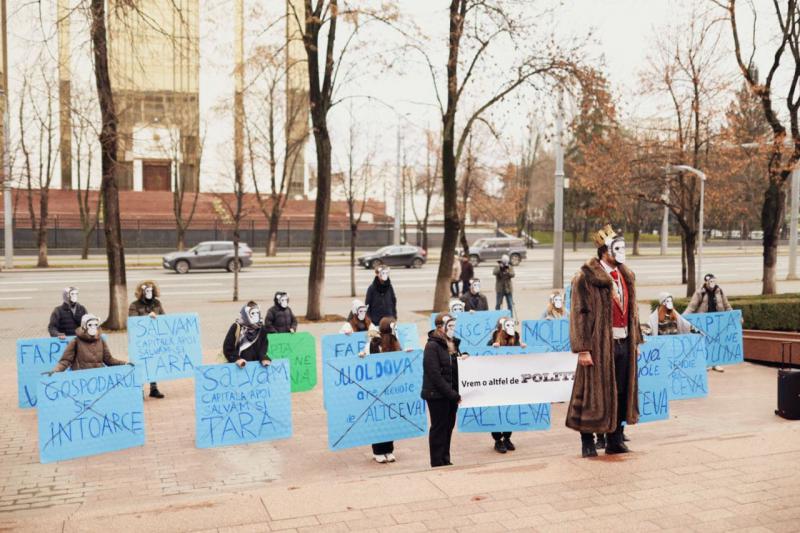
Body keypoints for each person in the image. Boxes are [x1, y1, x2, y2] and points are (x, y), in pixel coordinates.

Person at [567, 225, 643, 458]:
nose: (622, 252)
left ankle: (615, 439)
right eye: (617, 248)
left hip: (624, 342)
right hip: (599, 344)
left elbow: (633, 311)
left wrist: (636, 341)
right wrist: (583, 349)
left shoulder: (626, 275)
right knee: (591, 393)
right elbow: (579, 313)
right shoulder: (585, 278)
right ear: (604, 251)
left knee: (621, 391)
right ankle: (587, 441)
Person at [422, 313, 465, 467]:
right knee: (439, 427)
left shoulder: (452, 343)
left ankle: (445, 458)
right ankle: (437, 461)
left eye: (454, 326)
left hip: (451, 394)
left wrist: (463, 358)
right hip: (437, 395)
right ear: (440, 326)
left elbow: (452, 367)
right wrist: (451, 394)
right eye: (450, 326)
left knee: (448, 427)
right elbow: (434, 374)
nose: (453, 329)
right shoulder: (432, 346)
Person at [360, 316, 405, 463]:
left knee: (389, 419)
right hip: (375, 389)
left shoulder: (396, 344)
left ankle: (389, 449)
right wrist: (361, 356)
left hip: (391, 389)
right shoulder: (373, 345)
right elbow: (364, 360)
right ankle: (378, 451)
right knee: (378, 419)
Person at [487, 317, 526, 454]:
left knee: (511, 409)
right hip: (496, 382)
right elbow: (482, 356)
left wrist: (522, 349)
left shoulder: (515, 339)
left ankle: (507, 437)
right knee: (496, 410)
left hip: (511, 382)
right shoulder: (492, 340)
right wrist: (492, 349)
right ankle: (498, 439)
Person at [684, 273, 733, 373]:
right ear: (706, 282)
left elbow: (727, 305)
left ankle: (716, 363)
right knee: (705, 342)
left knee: (716, 342)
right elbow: (691, 307)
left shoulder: (719, 291)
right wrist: (683, 318)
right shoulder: (700, 292)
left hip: (717, 321)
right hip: (704, 322)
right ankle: (705, 362)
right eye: (710, 281)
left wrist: (735, 316)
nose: (712, 283)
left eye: (714, 281)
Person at [47, 314, 129, 373]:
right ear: (84, 326)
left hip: (98, 376)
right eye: (90, 325)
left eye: (95, 325)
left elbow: (109, 360)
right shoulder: (76, 342)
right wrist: (55, 371)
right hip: (82, 379)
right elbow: (65, 361)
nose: (93, 327)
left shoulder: (101, 341)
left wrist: (124, 363)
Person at [128, 281, 166, 399]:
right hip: (140, 341)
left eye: (151, 290)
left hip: (153, 339)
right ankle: (139, 389)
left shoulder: (157, 303)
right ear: (142, 292)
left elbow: (164, 318)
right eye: (147, 291)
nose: (150, 293)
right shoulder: (134, 305)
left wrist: (158, 317)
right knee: (141, 364)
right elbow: (133, 321)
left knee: (153, 363)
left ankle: (154, 388)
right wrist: (147, 317)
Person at [223, 301, 271, 367]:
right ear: (246, 314)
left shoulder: (261, 328)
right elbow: (228, 348)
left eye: (257, 313)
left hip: (255, 367)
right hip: (239, 367)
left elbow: (263, 346)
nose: (256, 315)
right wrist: (236, 359)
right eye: (252, 313)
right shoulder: (237, 327)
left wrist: (263, 357)